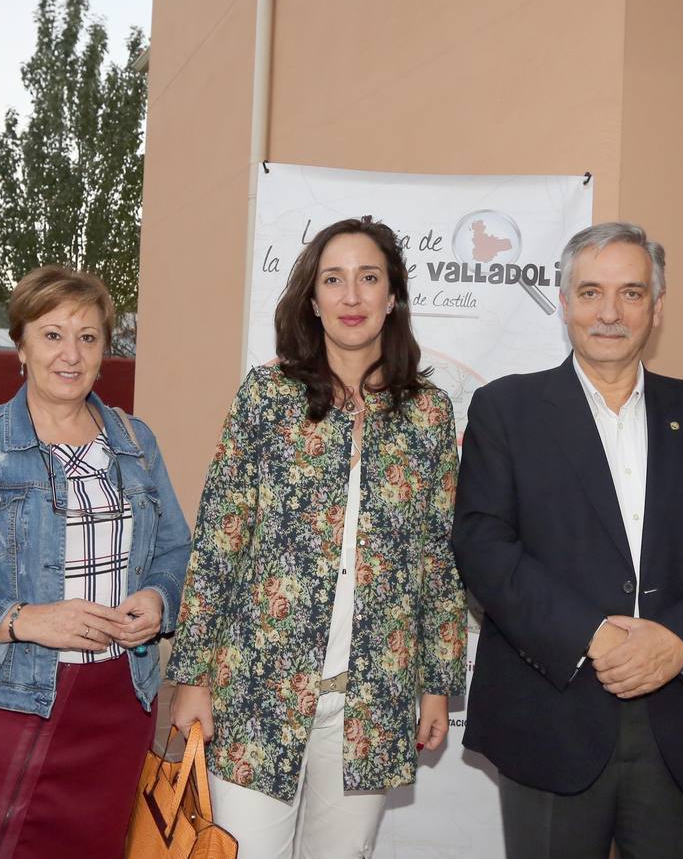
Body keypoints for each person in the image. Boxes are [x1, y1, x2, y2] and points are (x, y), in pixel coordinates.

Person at [452, 222, 683, 858]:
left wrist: (677, 640)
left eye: (631, 292)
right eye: (591, 292)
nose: (610, 313)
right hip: (550, 712)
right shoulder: (505, 410)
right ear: (564, 303)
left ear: (656, 306)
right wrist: (590, 635)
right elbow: (484, 545)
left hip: (678, 716)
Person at [166, 216, 467, 859]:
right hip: (258, 688)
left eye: (368, 279)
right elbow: (220, 541)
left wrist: (439, 680)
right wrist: (192, 676)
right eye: (334, 279)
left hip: (374, 698)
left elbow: (439, 558)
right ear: (313, 298)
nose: (352, 297)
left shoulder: (430, 412)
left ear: (393, 297)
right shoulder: (266, 397)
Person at [0, 265, 191, 857]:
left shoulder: (137, 443)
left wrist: (160, 598)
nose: (70, 354)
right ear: (21, 345)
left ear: (106, 350)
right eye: (52, 334)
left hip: (119, 701)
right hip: (2, 705)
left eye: (88, 337)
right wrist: (24, 620)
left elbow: (176, 552)